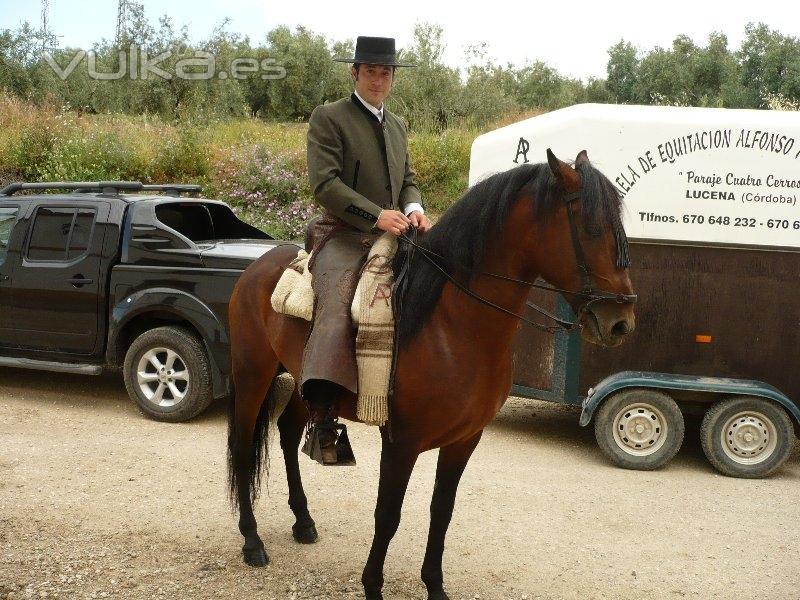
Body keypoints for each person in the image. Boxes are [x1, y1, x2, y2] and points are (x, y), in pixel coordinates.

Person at [301, 36, 432, 464]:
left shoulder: (397, 126)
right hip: (341, 234)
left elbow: (408, 177)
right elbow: (325, 183)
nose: (379, 79)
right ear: (355, 73)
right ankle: (323, 415)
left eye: (386, 72)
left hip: (394, 231)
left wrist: (414, 208)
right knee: (340, 306)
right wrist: (376, 215)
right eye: (371, 71)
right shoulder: (329, 117)